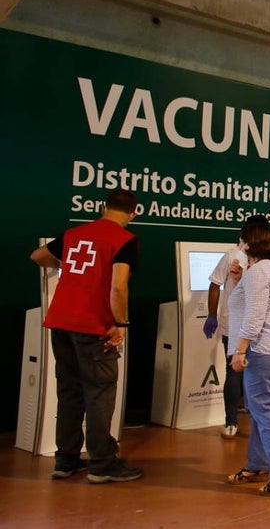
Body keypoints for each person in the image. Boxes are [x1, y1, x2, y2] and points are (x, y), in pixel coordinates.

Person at [30, 189, 143, 483]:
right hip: (94, 328)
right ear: (133, 213)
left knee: (69, 393)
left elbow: (38, 256)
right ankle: (102, 464)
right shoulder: (125, 240)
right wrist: (121, 323)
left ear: (104, 207)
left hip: (60, 324)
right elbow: (118, 286)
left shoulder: (74, 233)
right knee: (100, 394)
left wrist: (68, 266)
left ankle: (65, 461)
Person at [225, 221, 270, 495]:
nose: (239, 246)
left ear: (248, 243)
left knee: (264, 411)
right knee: (258, 409)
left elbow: (254, 317)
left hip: (261, 349)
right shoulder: (267, 268)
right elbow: (250, 305)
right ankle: (258, 463)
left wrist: (241, 350)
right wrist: (237, 280)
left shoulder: (257, 274)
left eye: (241, 241)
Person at [204, 214, 270, 439]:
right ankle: (231, 421)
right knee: (234, 374)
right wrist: (212, 315)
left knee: (261, 375)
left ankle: (265, 423)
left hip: (260, 326)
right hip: (234, 325)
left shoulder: (267, 260)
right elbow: (215, 283)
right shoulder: (233, 255)